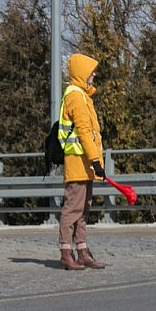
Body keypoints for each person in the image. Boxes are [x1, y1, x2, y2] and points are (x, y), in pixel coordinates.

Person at [58, 53, 107, 270]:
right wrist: (96, 160)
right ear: (81, 73)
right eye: (91, 71)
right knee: (73, 209)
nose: (94, 74)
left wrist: (95, 163)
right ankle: (66, 252)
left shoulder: (84, 96)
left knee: (84, 210)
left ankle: (82, 251)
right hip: (78, 161)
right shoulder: (75, 96)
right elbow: (84, 132)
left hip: (85, 163)